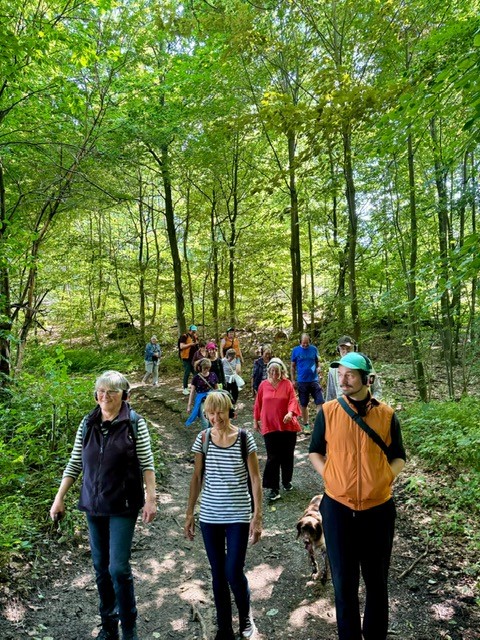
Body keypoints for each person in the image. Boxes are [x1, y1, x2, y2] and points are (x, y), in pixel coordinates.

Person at [49, 371, 156, 640]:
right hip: (93, 505)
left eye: (112, 391)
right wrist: (59, 497)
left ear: (124, 395)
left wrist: (151, 499)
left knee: (117, 567)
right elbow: (75, 462)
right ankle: (109, 625)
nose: (105, 396)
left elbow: (147, 463)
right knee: (100, 568)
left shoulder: (134, 423)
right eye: (101, 391)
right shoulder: (88, 423)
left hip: (124, 504)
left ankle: (129, 627)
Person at [309, 352, 406, 640]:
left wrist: (385, 478)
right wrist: (330, 476)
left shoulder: (387, 415)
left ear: (367, 379)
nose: (343, 380)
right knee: (344, 582)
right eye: (340, 374)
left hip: (378, 510)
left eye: (350, 374)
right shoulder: (328, 412)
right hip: (338, 509)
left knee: (376, 582)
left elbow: (398, 456)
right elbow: (315, 451)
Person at [185, 391, 262, 640]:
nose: (216, 417)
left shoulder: (243, 438)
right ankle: (224, 628)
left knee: (233, 571)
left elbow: (255, 478)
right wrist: (189, 514)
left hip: (238, 515)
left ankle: (245, 616)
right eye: (211, 412)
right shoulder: (203, 438)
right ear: (206, 414)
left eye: (221, 411)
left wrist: (257, 516)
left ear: (230, 410)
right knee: (217, 572)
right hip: (209, 517)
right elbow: (196, 478)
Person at [253, 357, 302, 502]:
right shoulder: (263, 385)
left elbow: (293, 400)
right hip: (270, 425)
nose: (274, 373)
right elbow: (258, 404)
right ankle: (273, 488)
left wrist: (290, 413)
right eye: (272, 371)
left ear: (282, 371)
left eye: (277, 371)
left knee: (287, 455)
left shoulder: (287, 384)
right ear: (268, 371)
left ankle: (286, 481)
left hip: (287, 425)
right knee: (273, 457)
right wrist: (255, 420)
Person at [326, 335, 383, 401]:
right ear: (338, 350)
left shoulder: (365, 363)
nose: (346, 352)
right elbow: (330, 395)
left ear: (355, 349)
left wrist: (372, 405)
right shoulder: (333, 369)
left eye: (349, 348)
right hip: (343, 408)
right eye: (342, 349)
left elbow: (377, 389)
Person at [290, 333, 324, 433]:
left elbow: (318, 362)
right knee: (304, 404)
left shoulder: (314, 349)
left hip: (314, 380)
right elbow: (292, 366)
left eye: (307, 343)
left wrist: (319, 368)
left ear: (310, 341)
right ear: (300, 341)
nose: (305, 345)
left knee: (320, 401)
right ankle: (306, 425)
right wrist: (293, 379)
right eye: (303, 343)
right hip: (302, 381)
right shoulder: (295, 350)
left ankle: (319, 424)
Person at [186, 358, 219, 428]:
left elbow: (217, 388)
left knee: (213, 420)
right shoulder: (196, 378)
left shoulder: (213, 375)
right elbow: (192, 392)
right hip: (202, 402)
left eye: (208, 368)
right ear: (200, 368)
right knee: (205, 422)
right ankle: (205, 437)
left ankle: (212, 436)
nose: (206, 370)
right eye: (205, 368)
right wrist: (189, 405)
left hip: (212, 400)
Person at [179, 325, 199, 395]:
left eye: (195, 331)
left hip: (194, 358)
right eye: (192, 331)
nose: (193, 332)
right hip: (186, 357)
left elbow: (197, 346)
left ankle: (196, 387)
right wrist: (191, 344)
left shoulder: (195, 337)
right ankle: (185, 388)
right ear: (189, 330)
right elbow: (181, 346)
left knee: (196, 373)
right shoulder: (184, 336)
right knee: (187, 372)